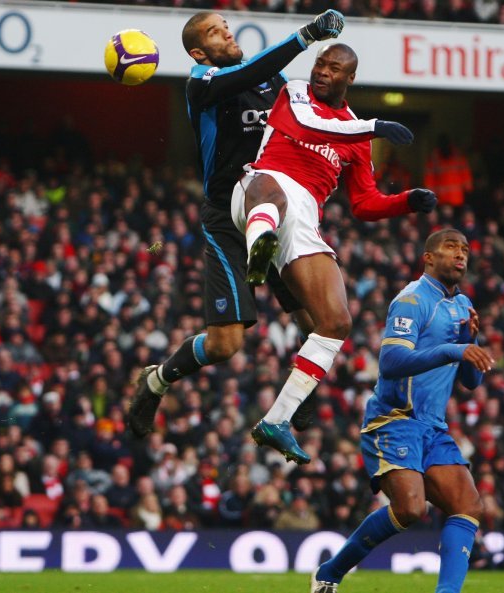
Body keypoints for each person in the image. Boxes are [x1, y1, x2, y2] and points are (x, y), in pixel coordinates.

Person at [128, 8, 346, 438]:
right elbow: (249, 73)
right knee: (226, 345)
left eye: (226, 26)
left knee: (319, 320)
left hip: (277, 211)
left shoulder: (275, 85)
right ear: (198, 51)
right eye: (215, 31)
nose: (227, 33)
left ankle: (300, 389)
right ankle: (155, 382)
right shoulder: (203, 83)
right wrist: (304, 37)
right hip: (227, 218)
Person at [232, 43, 438, 463]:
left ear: (350, 78)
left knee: (336, 321)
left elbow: (364, 202)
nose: (322, 72)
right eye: (320, 64)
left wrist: (406, 201)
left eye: (334, 68)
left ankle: (276, 420)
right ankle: (258, 247)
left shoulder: (355, 135)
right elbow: (309, 128)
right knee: (273, 194)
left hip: (305, 217)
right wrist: (376, 125)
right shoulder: (296, 93)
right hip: (261, 187)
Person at [310, 228, 495, 593]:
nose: (460, 255)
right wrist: (455, 350)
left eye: (465, 249)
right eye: (450, 247)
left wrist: (468, 343)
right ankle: (330, 572)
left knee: (468, 505)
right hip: (394, 419)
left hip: (433, 426)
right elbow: (392, 361)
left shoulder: (462, 305)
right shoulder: (412, 299)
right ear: (428, 257)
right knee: (410, 508)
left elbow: (470, 382)